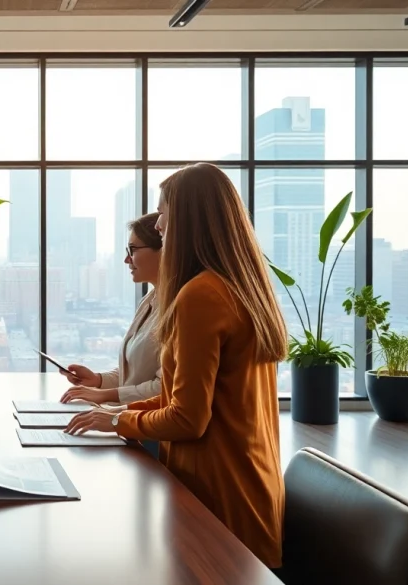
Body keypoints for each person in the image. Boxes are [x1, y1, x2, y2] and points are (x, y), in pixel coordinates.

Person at [64, 163, 288, 570]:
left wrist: (116, 420)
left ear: (188, 220)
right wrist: (116, 412)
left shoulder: (200, 296)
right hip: (251, 489)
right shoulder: (241, 287)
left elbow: (187, 418)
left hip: (218, 506)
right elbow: (179, 396)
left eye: (164, 211)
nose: (159, 224)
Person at [58, 212, 163, 406]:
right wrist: (98, 380)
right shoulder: (150, 300)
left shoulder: (181, 308)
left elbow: (164, 388)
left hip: (142, 422)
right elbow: (134, 375)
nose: (127, 259)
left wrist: (105, 395)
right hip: (126, 417)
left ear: (164, 249)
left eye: (133, 250)